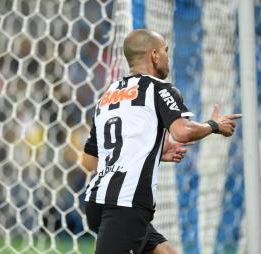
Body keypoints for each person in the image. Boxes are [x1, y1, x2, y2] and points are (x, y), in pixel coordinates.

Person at [82, 29, 241, 254]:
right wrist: (214, 125)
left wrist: (154, 151)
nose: (168, 56)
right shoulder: (158, 89)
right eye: (166, 50)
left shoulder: (107, 96)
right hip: (127, 203)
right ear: (155, 55)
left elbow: (89, 159)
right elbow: (182, 132)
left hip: (97, 200)